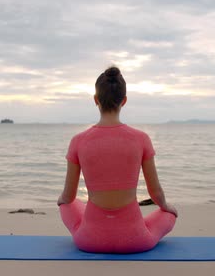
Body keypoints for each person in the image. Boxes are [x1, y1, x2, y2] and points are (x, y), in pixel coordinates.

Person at [57, 66, 177, 253]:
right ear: (124, 101)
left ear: (96, 100)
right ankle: (137, 224)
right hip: (136, 241)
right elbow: (156, 194)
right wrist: (167, 207)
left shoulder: (78, 141)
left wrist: (62, 200)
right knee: (168, 215)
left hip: (89, 241)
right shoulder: (141, 138)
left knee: (68, 203)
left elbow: (68, 196)